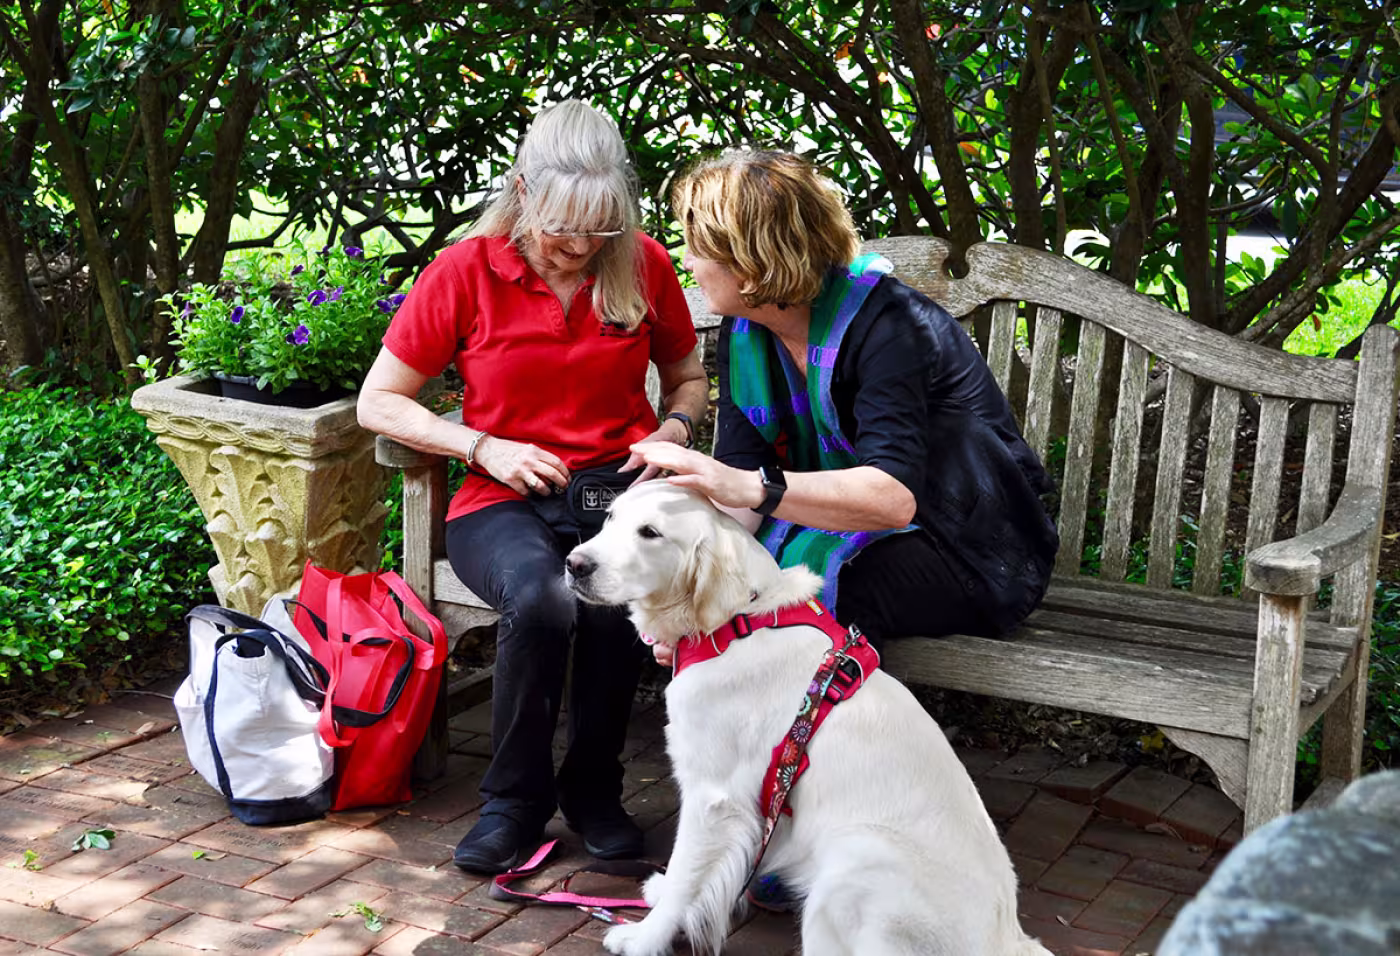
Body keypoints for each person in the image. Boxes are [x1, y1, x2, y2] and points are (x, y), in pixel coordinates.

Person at [357, 100, 707, 875]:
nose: (581, 247)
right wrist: (485, 447)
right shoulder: (464, 270)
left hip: (614, 494)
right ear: (522, 191)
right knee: (544, 601)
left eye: (600, 229)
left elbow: (687, 376)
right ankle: (512, 804)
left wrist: (675, 432)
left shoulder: (642, 262)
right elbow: (378, 401)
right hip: (500, 500)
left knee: (616, 603)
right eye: (562, 229)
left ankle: (593, 791)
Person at [633, 149, 1059, 656]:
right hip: (843, 528)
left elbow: (891, 497)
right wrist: (691, 611)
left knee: (812, 595)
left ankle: (813, 735)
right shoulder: (747, 332)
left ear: (747, 260)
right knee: (740, 594)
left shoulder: (891, 327)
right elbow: (739, 491)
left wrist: (747, 489)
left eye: (696, 246)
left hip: (967, 549)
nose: (686, 260)